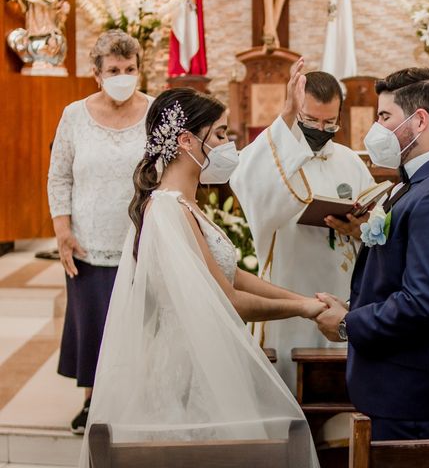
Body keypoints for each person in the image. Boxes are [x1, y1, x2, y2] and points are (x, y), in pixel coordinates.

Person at [78, 88, 323, 467]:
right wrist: (306, 309)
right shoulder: (168, 210)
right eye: (221, 134)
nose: (229, 146)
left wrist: (303, 298)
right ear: (187, 140)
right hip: (187, 374)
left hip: (206, 360)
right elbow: (228, 298)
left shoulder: (185, 204)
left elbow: (234, 274)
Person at [315, 68, 429, 441]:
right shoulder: (417, 183)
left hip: (415, 398)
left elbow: (423, 304)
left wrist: (349, 323)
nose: (375, 128)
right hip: (398, 390)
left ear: (419, 120)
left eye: (384, 116)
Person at [230, 58, 374, 389]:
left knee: (338, 392)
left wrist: (360, 225)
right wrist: (283, 115)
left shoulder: (350, 161)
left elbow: (375, 218)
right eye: (310, 120)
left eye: (330, 123)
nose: (320, 130)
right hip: (288, 290)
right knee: (286, 386)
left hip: (341, 294)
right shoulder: (273, 155)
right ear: (296, 111)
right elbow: (246, 181)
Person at [47, 29, 153, 435]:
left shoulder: (156, 111)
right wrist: (62, 229)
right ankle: (92, 400)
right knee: (91, 320)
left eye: (129, 69)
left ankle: (137, 400)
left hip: (139, 238)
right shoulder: (74, 115)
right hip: (88, 240)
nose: (122, 75)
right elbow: (59, 177)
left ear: (140, 70)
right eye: (114, 69)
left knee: (138, 323)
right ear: (97, 73)